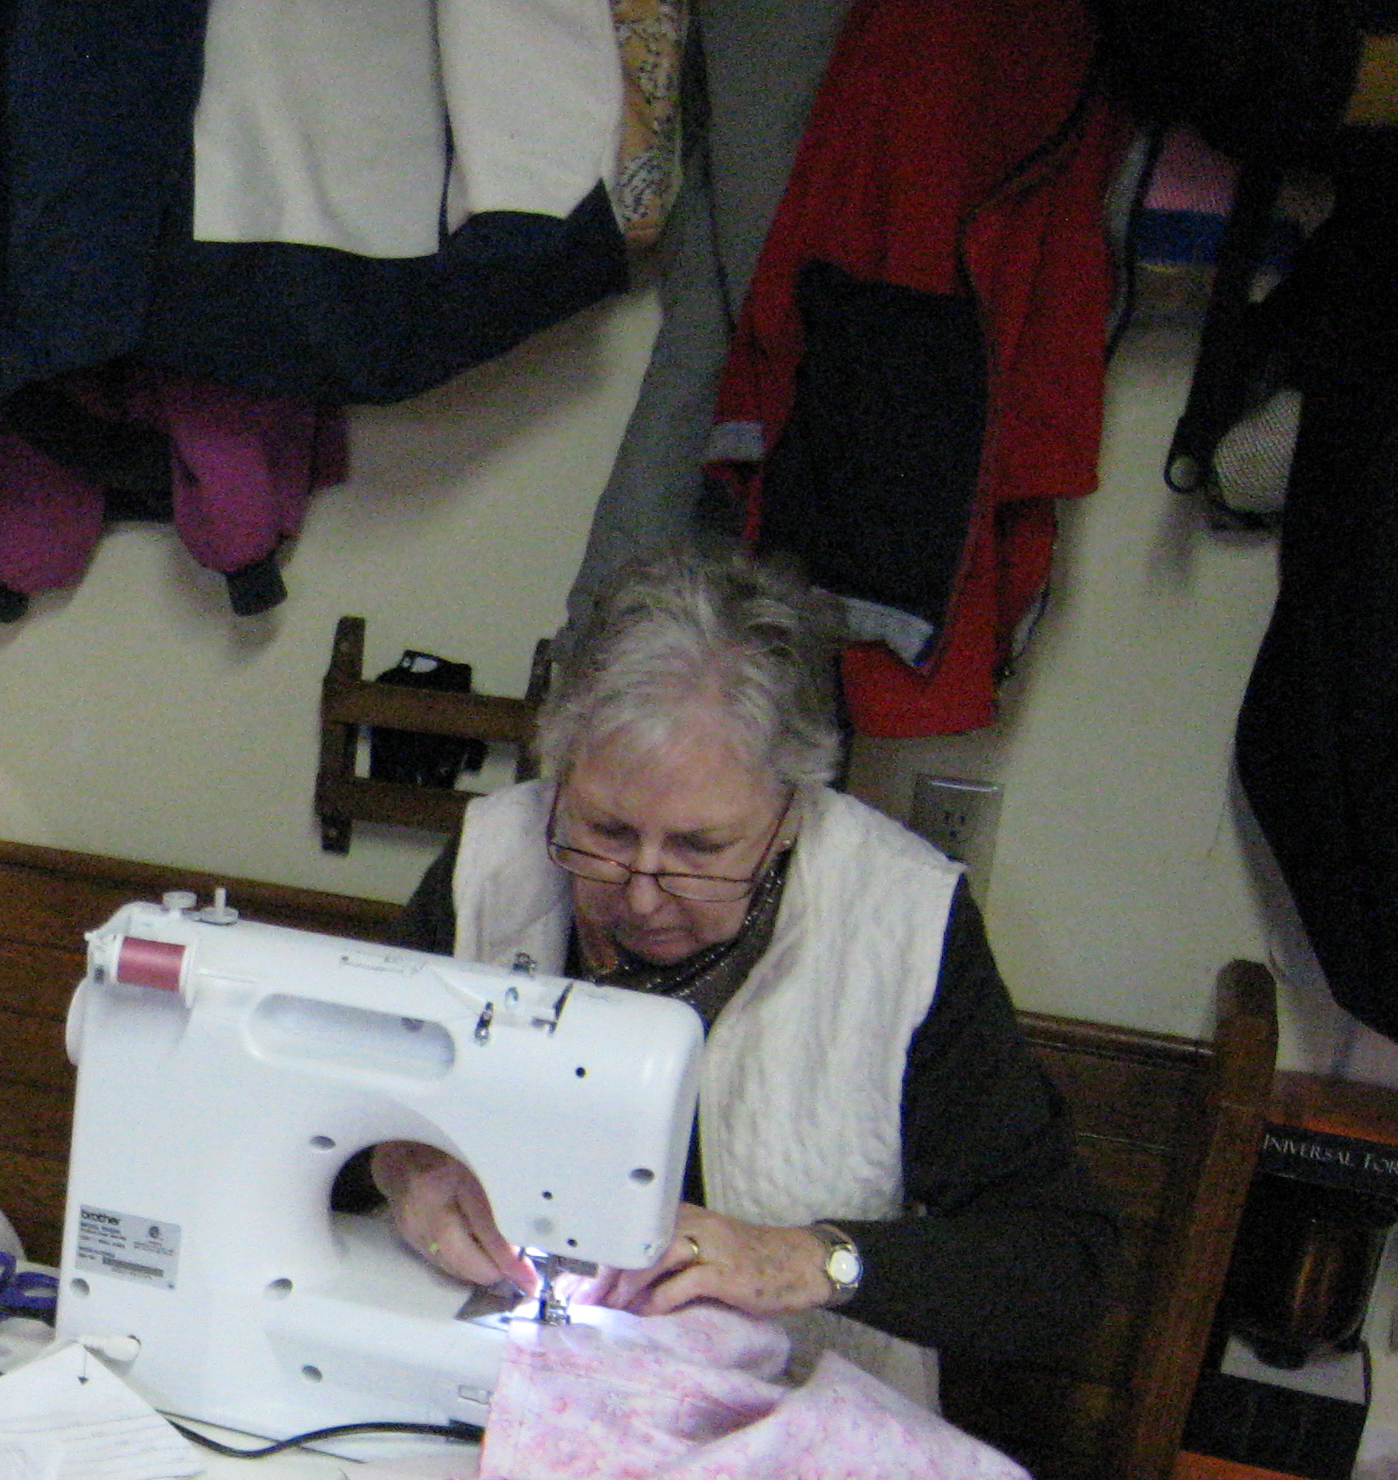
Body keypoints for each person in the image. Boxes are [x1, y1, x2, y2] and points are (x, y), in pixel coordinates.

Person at [370, 545, 1112, 1402]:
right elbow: (356, 1103)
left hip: (796, 1422)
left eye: (701, 848)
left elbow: (1062, 1260)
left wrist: (808, 1259)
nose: (641, 894)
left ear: (794, 811)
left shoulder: (901, 922)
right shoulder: (493, 861)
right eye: (605, 832)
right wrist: (404, 1166)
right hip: (503, 1394)